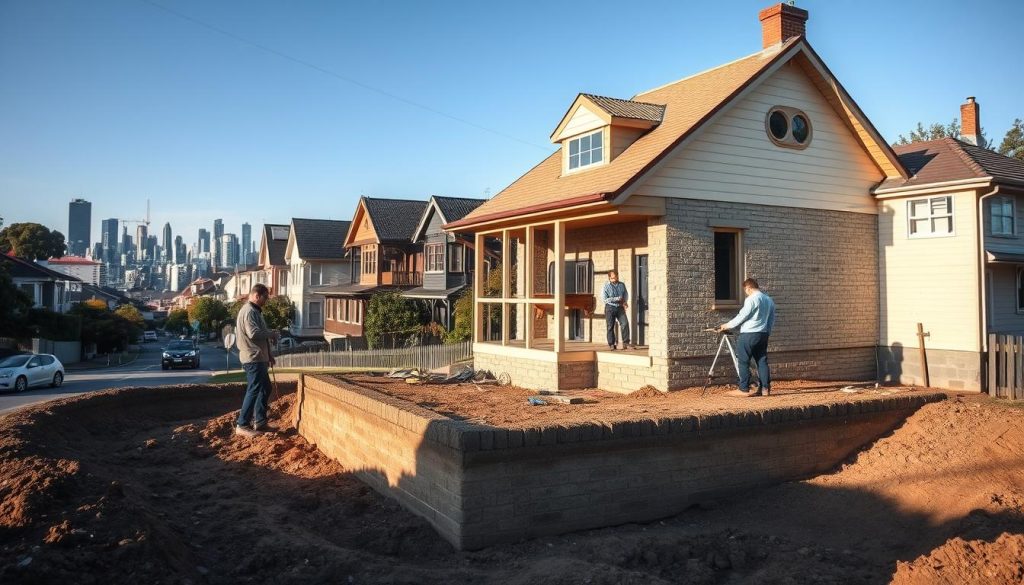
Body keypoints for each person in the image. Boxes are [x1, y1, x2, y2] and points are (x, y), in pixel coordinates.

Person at [234, 284, 281, 437]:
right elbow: (253, 334)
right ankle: (242, 424)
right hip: (253, 358)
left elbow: (258, 334)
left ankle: (260, 421)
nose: (266, 301)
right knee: (254, 388)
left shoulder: (255, 311)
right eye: (265, 297)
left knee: (265, 387)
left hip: (259, 357)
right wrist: (271, 334)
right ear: (256, 296)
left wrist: (269, 355)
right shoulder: (249, 311)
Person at [717, 278, 776, 397]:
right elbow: (771, 319)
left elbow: (742, 316)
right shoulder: (769, 300)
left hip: (749, 334)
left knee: (743, 360)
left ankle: (743, 388)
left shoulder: (752, 299)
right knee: (762, 361)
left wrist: (726, 325)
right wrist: (767, 332)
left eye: (746, 290)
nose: (746, 293)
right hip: (763, 334)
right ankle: (765, 389)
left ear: (748, 288)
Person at [601, 270, 632, 350]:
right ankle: (611, 344)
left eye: (616, 277)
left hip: (620, 307)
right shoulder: (606, 286)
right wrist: (616, 298)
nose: (614, 279)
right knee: (610, 326)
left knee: (625, 324)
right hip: (610, 308)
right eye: (612, 278)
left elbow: (625, 294)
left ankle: (626, 343)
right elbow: (604, 299)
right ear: (609, 278)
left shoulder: (622, 285)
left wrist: (625, 302)